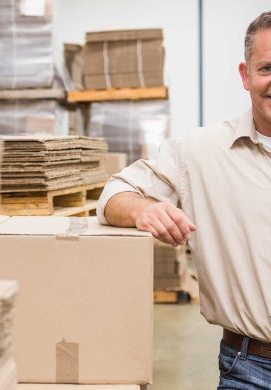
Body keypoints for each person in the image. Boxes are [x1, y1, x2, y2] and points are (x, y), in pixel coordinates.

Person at [97, 10, 271, 389]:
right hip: (252, 370)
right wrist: (145, 209)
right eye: (267, 69)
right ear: (246, 75)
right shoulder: (200, 152)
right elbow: (113, 193)